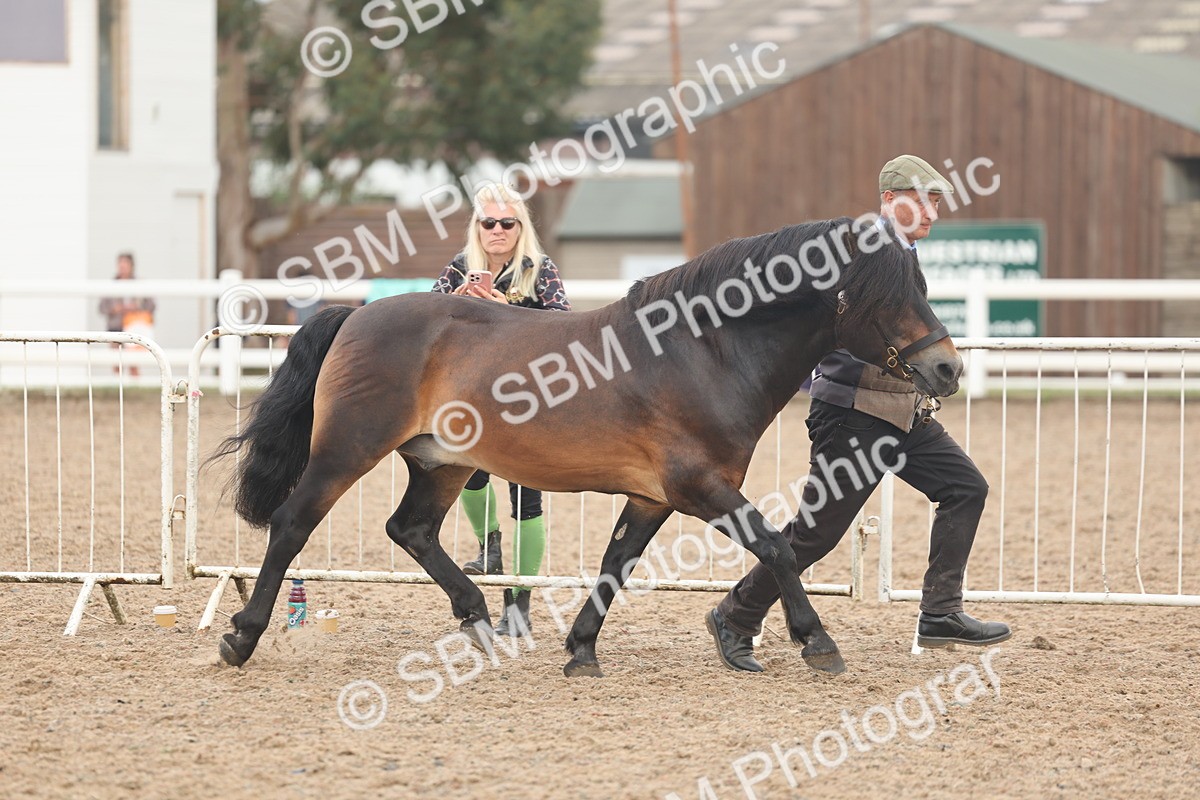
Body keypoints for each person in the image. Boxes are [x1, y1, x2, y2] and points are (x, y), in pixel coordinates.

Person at [705, 155, 1011, 672]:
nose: (932, 209)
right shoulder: (863, 252)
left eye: (936, 199)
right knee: (817, 533)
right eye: (920, 198)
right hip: (853, 413)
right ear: (889, 200)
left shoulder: (901, 256)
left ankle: (940, 613)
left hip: (900, 409)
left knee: (965, 488)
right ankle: (735, 616)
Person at [430, 184, 571, 636]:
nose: (497, 231)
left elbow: (563, 325)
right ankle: (488, 544)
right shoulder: (459, 267)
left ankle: (520, 602)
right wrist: (460, 304)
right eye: (487, 222)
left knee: (528, 498)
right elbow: (425, 316)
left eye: (506, 223)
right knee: (464, 469)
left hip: (527, 399)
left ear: (519, 227)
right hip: (473, 397)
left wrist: (504, 310)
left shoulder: (540, 269)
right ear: (477, 226)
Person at [98, 252, 155, 376]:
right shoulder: (111, 285)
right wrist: (115, 309)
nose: (122, 266)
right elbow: (102, 307)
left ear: (131, 265)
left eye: (125, 263)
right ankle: (118, 391)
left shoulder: (139, 284)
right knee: (116, 362)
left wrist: (136, 307)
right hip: (115, 326)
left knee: (134, 363)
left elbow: (151, 305)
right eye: (120, 263)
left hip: (133, 326)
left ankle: (134, 391)